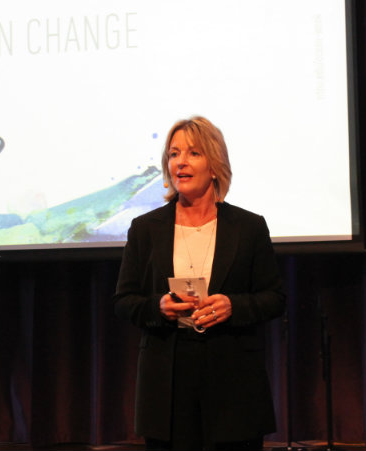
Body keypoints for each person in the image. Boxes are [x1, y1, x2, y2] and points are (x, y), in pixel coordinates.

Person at [113, 116, 286, 450]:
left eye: (193, 153)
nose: (180, 162)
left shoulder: (248, 227)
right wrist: (158, 306)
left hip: (233, 384)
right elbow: (123, 301)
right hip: (167, 385)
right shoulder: (145, 228)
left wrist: (233, 305)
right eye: (173, 154)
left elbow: (274, 298)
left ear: (215, 165)